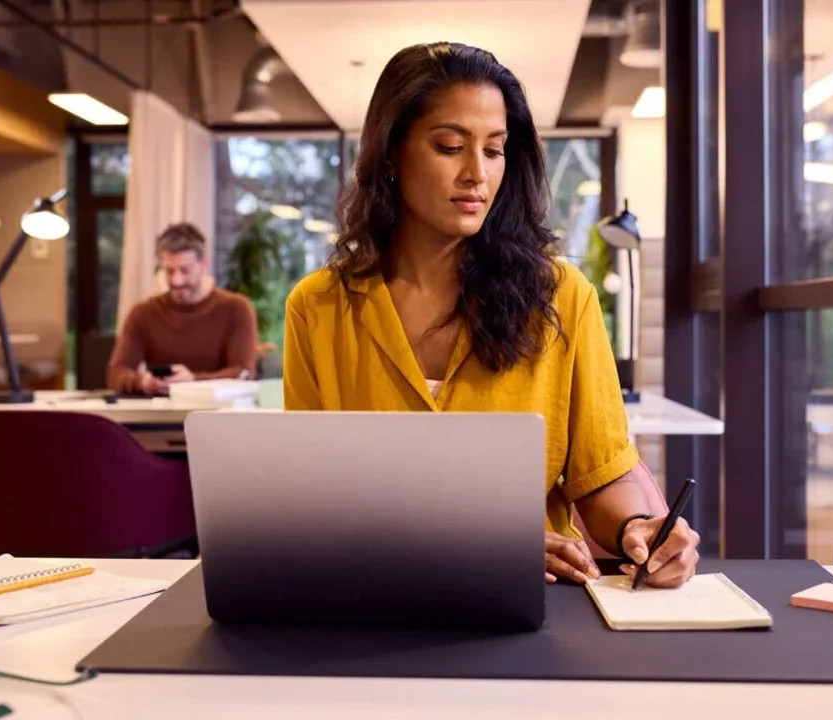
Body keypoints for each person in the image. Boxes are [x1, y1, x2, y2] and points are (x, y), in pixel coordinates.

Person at [282, 42, 701, 588]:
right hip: (374, 599)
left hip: (529, 603)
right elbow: (308, 499)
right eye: (450, 146)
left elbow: (601, 477)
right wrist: (478, 545)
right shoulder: (318, 308)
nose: (476, 173)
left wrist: (639, 528)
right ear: (390, 155)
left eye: (495, 150)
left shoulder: (561, 296)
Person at [108, 223, 258, 396]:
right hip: (159, 416)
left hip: (217, 416)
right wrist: (142, 381)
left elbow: (243, 373)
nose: (176, 281)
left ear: (204, 263)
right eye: (169, 271)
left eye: (185, 270)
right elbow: (116, 373)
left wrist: (193, 380)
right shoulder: (143, 313)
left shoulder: (236, 309)